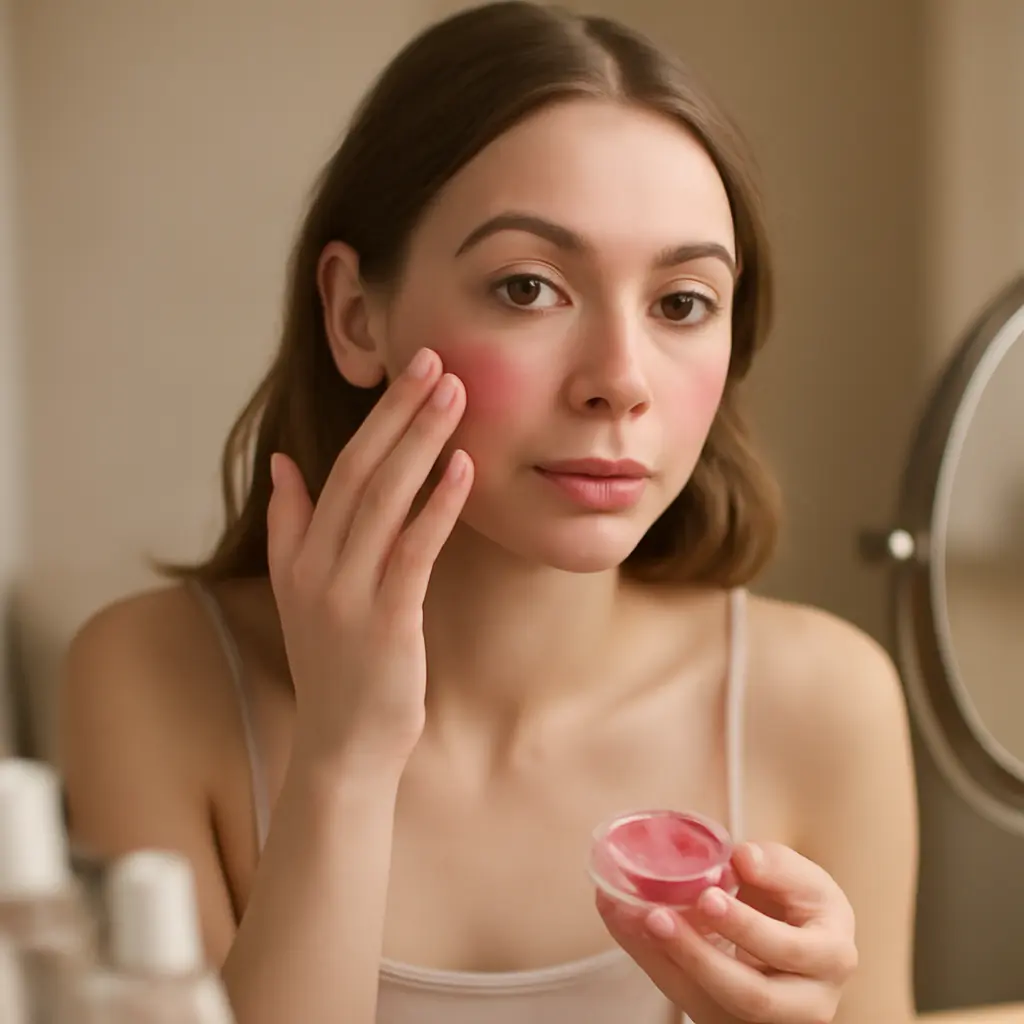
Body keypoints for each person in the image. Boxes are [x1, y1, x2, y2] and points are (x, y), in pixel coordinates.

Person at [58, 3, 924, 1022]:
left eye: (682, 302)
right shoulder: (147, 682)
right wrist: (343, 757)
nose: (618, 380)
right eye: (528, 287)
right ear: (354, 314)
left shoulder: (826, 704)